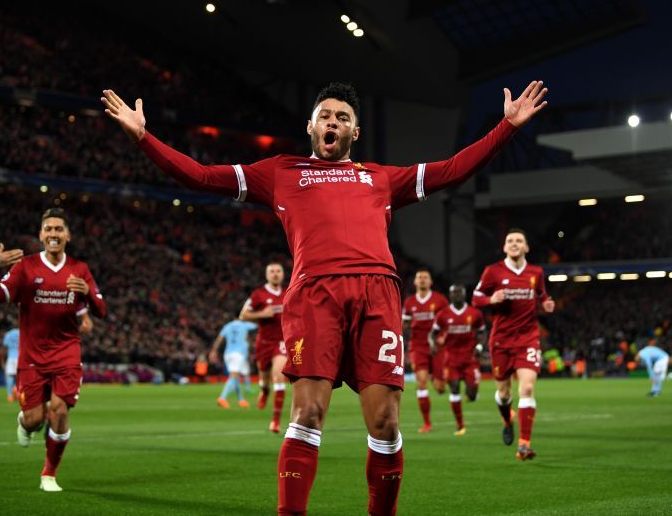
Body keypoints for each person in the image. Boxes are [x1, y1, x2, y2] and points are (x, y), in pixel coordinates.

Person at [103, 79, 547, 515]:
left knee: (386, 423)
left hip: (378, 294)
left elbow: (453, 169)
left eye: (343, 117)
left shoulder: (380, 178)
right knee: (308, 414)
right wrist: (144, 138)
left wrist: (505, 128)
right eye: (325, 116)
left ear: (355, 132)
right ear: (311, 127)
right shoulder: (279, 172)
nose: (333, 122)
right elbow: (201, 175)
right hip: (314, 294)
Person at [0, 207, 106, 492]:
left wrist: (88, 294)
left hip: (67, 352)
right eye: (48, 229)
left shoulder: (80, 269)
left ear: (68, 235)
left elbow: (101, 310)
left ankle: (48, 474)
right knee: (35, 419)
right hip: (32, 357)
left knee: (60, 411)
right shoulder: (25, 267)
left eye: (59, 229)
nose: (54, 234)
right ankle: (25, 422)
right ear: (41, 235)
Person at [472, 228, 554, 461]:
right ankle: (508, 420)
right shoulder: (493, 271)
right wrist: (491, 299)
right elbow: (476, 298)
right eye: (510, 241)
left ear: (526, 247)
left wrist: (546, 303)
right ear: (505, 247)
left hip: (528, 338)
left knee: (526, 389)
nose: (515, 244)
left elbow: (542, 295)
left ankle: (524, 445)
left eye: (519, 240)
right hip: (500, 340)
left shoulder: (536, 272)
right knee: (503, 393)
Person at [429, 284, 486, 435]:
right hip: (451, 359)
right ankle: (460, 425)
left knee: (472, 395)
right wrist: (433, 344)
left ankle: (472, 393)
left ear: (464, 294)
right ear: (450, 295)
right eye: (454, 293)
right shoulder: (443, 314)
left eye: (459, 293)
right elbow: (432, 334)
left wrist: (480, 347)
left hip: (470, 359)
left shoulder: (475, 314)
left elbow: (482, 332)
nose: (457, 295)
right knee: (454, 388)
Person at [240, 262, 288, 432]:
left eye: (278, 271)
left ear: (282, 274)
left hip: (281, 343)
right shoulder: (258, 295)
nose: (275, 274)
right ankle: (265, 391)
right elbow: (243, 315)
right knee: (264, 379)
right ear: (267, 275)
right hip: (264, 343)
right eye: (272, 271)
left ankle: (275, 421)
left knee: (279, 377)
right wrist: (262, 314)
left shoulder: (289, 293)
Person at [401, 270, 449, 433]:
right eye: (419, 278)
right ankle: (427, 423)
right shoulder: (409, 302)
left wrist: (443, 337)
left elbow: (448, 321)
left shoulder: (440, 300)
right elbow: (405, 324)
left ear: (431, 282)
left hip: (437, 346)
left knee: (440, 388)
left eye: (425, 277)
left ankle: (439, 378)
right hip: (418, 346)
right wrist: (401, 324)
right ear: (414, 282)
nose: (422, 280)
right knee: (421, 382)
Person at [209, 316, 259, 409]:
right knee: (234, 377)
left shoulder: (227, 326)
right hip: (238, 354)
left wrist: (214, 350)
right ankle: (222, 398)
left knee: (235, 378)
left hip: (228, 354)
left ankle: (241, 400)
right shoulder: (244, 325)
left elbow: (220, 338)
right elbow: (256, 325)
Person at [2, 324, 20, 402]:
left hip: (10, 357)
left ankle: (9, 396)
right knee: (19, 377)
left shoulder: (8, 334)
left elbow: (5, 347)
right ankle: (18, 392)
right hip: (19, 357)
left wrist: (3, 359)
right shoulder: (21, 333)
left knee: (9, 376)